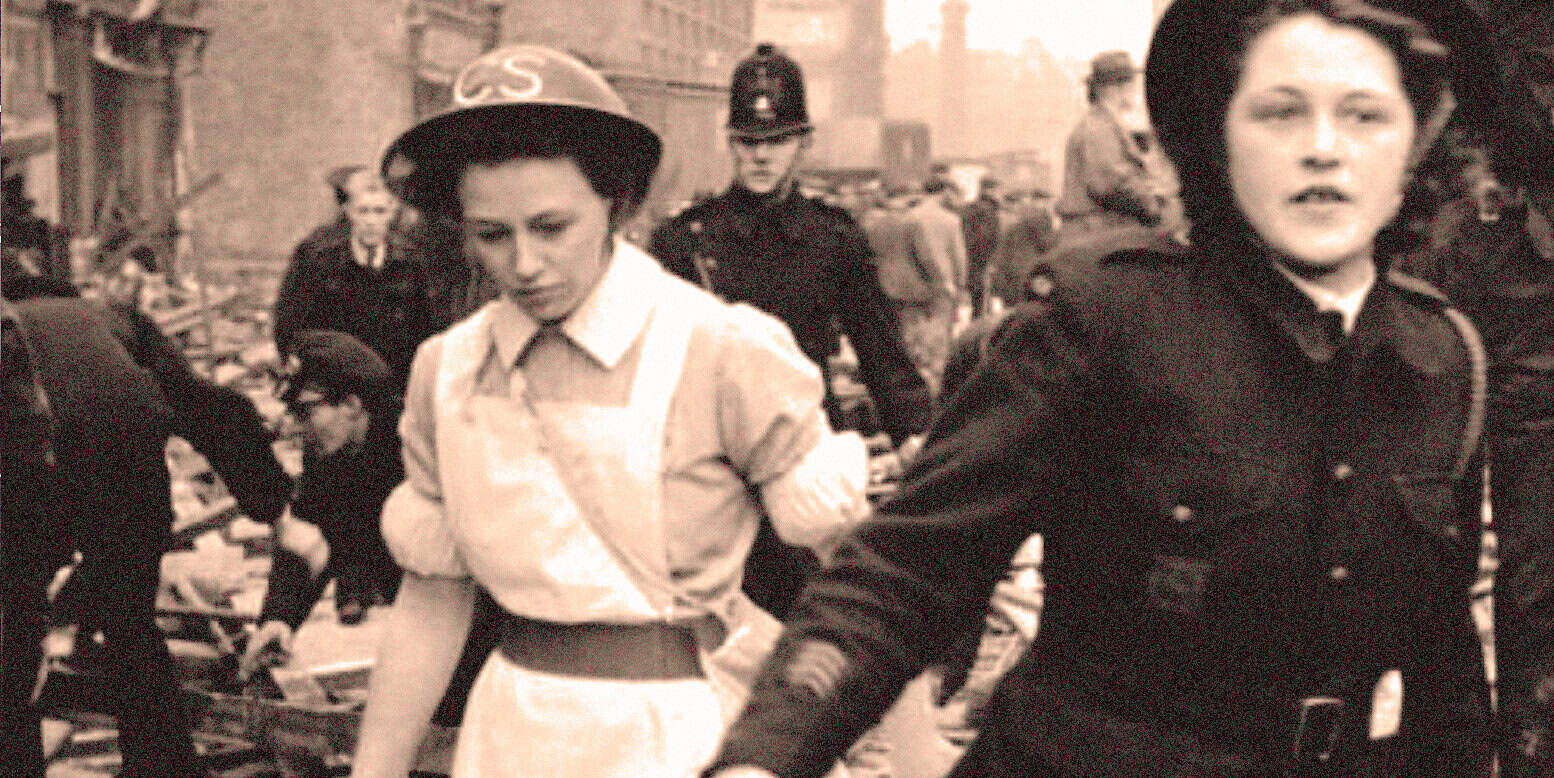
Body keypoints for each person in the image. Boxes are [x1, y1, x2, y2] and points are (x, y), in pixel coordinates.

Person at [705, 2, 1500, 776]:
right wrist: (770, 756)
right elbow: (907, 569)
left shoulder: (1442, 361)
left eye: (1365, 115)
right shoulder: (1106, 321)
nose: (1324, 149)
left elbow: (1444, 662)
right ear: (1218, 138)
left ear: (1419, 145)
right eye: (1280, 113)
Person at [351, 44, 871, 778]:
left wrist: (914, 759)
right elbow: (432, 603)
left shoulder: (719, 349)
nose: (524, 264)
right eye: (492, 235)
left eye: (551, 226)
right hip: (514, 734)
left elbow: (866, 582)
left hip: (683, 733)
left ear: (617, 206)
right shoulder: (449, 370)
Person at [648, 42, 931, 620]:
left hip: (796, 457)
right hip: (705, 461)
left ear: (804, 143)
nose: (761, 156)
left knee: (800, 622)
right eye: (749, 141)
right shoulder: (685, 240)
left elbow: (882, 352)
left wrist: (915, 433)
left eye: (777, 141)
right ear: (730, 142)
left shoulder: (835, 237)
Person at [1, 286, 292, 777]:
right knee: (131, 626)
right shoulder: (109, 315)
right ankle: (165, 767)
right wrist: (268, 498)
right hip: (122, 457)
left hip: (38, 467)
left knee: (17, 631)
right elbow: (202, 404)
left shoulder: (19, 330)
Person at [272, 168, 437, 387]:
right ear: (349, 211)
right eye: (363, 211)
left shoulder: (410, 262)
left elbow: (425, 329)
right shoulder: (319, 259)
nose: (370, 221)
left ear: (392, 212)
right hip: (334, 385)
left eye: (379, 212)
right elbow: (290, 325)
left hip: (393, 384)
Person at [1053, 50, 1182, 244]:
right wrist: (1158, 208)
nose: (1134, 91)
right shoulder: (1099, 127)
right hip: (1097, 238)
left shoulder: (1102, 124)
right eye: (1131, 84)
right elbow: (1112, 183)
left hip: (1097, 234)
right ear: (1117, 88)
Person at [905, 176, 971, 383]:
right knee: (941, 334)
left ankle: (916, 375)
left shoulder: (909, 217)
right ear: (944, 192)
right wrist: (960, 285)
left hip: (914, 284)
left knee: (913, 333)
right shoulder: (950, 220)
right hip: (944, 284)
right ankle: (938, 378)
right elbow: (959, 257)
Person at [961, 177, 1002, 316]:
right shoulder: (988, 211)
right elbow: (984, 239)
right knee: (981, 310)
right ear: (990, 190)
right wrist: (988, 263)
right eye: (997, 189)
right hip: (982, 266)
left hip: (970, 264)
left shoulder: (969, 207)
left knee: (976, 306)